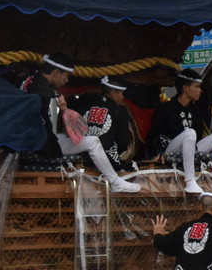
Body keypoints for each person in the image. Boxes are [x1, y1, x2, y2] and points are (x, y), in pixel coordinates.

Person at [20, 54, 141, 193]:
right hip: (37, 145)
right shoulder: (39, 88)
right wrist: (57, 95)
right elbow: (40, 91)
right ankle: (115, 182)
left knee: (65, 137)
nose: (67, 80)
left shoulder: (30, 79)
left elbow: (39, 89)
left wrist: (56, 94)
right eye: (66, 76)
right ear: (56, 72)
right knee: (93, 142)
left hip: (32, 141)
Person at [76, 75, 142, 171]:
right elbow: (123, 141)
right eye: (121, 93)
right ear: (113, 93)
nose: (123, 97)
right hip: (107, 161)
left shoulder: (84, 107)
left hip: (82, 159)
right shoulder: (118, 111)